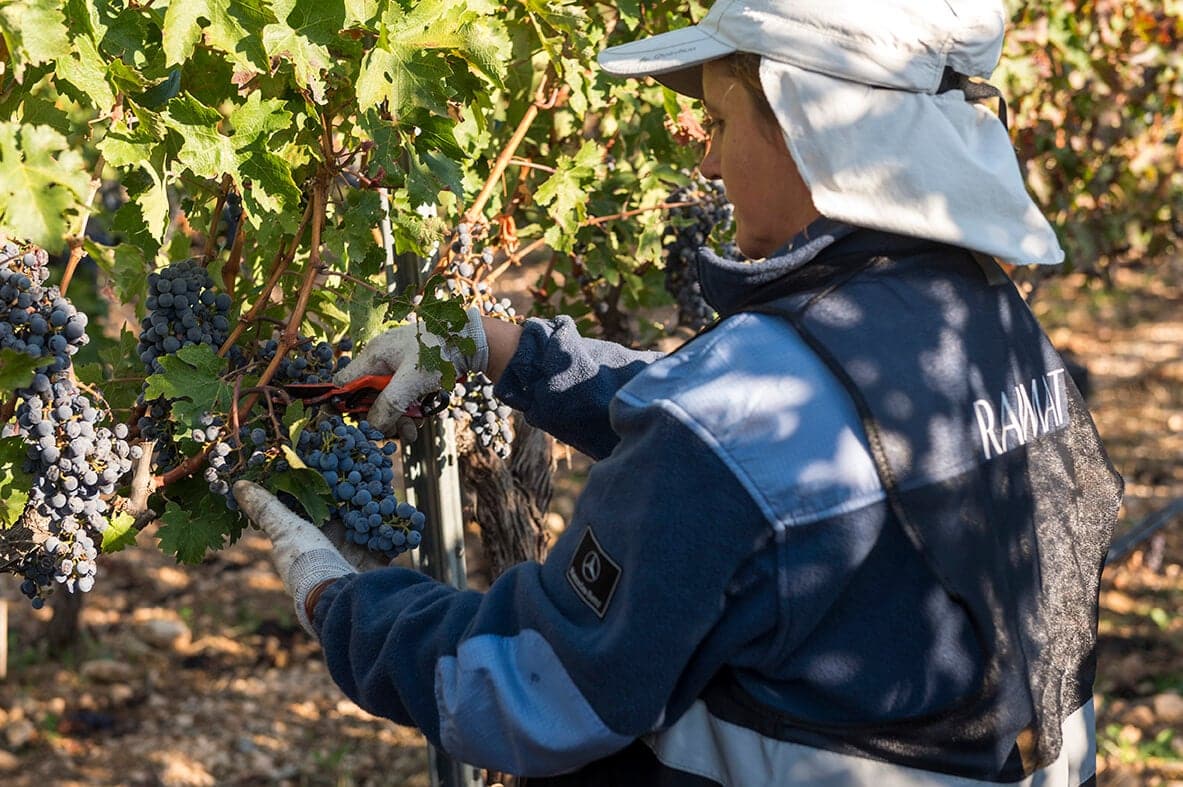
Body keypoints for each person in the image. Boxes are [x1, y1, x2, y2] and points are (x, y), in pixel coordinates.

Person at [233, 1, 1123, 784]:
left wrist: (339, 604)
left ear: (807, 126)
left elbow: (528, 691)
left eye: (719, 122)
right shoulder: (987, 330)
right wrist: (502, 347)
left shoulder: (738, 419)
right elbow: (771, 449)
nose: (705, 165)